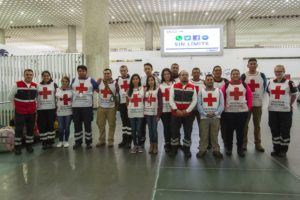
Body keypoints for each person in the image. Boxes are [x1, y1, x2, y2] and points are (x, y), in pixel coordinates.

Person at [267, 64, 298, 157]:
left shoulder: (289, 82)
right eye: (276, 71)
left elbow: (294, 95)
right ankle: (276, 148)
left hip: (285, 111)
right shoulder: (270, 82)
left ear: (284, 72)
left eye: (280, 71)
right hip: (273, 110)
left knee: (285, 130)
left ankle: (283, 150)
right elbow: (270, 93)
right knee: (274, 129)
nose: (278, 73)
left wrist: (289, 104)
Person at [221, 69, 252, 157]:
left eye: (237, 74)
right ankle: (229, 148)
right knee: (229, 131)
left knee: (240, 132)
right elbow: (222, 97)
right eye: (233, 74)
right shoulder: (226, 85)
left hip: (242, 112)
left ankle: (240, 149)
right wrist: (223, 108)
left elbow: (249, 96)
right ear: (231, 76)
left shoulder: (245, 85)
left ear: (239, 75)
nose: (235, 75)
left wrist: (249, 108)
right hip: (229, 112)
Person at [8, 69, 37, 155]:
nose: (29, 76)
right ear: (24, 75)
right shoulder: (17, 84)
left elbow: (37, 97)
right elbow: (10, 97)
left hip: (31, 112)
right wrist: (15, 107)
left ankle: (29, 145)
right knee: (19, 129)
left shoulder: (35, 85)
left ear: (33, 76)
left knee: (30, 129)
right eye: (27, 74)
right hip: (20, 112)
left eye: (30, 74)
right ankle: (18, 147)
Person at [169, 70, 197, 158]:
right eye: (182, 75)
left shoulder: (192, 87)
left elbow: (194, 100)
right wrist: (176, 110)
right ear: (179, 76)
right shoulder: (174, 86)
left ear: (188, 76)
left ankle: (186, 148)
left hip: (188, 115)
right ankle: (174, 148)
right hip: (175, 114)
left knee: (188, 132)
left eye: (186, 75)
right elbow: (171, 99)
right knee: (174, 132)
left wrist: (187, 110)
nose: (184, 76)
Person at [241, 58, 267, 152]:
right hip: (246, 105)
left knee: (257, 125)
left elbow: (265, 88)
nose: (252, 65)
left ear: (257, 65)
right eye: (251, 64)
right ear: (248, 65)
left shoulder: (262, 75)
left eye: (254, 64)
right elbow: (240, 88)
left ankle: (258, 143)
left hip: (257, 104)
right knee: (244, 125)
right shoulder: (244, 76)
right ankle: (244, 143)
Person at [196, 74, 224, 159]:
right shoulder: (201, 91)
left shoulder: (219, 91)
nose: (209, 81)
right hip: (204, 117)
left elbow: (222, 104)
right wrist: (205, 113)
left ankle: (216, 150)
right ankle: (202, 149)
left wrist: (215, 113)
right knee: (204, 135)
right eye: (208, 79)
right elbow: (199, 104)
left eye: (211, 79)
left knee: (214, 135)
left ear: (213, 80)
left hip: (215, 117)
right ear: (205, 81)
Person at [71, 65, 98, 149]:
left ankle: (88, 142)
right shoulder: (74, 80)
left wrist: (99, 82)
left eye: (83, 70)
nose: (81, 72)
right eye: (79, 71)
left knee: (88, 125)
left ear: (86, 72)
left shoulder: (91, 80)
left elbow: (97, 88)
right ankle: (78, 142)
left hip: (87, 107)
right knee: (77, 125)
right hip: (76, 107)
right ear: (77, 72)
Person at [96, 68, 119, 147]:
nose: (106, 75)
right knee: (100, 124)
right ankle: (102, 140)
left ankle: (110, 141)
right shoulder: (100, 83)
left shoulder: (115, 83)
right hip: (101, 107)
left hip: (111, 107)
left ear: (111, 74)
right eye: (105, 73)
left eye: (108, 73)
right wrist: (97, 82)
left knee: (112, 124)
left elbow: (117, 94)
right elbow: (95, 90)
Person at [37, 71, 58, 150]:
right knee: (42, 125)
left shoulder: (54, 85)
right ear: (42, 77)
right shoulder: (38, 85)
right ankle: (44, 142)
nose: (46, 77)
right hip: (41, 109)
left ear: (50, 76)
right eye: (44, 76)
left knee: (50, 125)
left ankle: (50, 141)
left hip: (51, 109)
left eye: (47, 76)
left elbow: (58, 94)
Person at [140, 63, 159, 147]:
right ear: (144, 70)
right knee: (145, 127)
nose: (147, 70)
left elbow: (158, 93)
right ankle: (144, 142)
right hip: (145, 108)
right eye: (146, 69)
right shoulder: (142, 79)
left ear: (152, 69)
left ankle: (155, 144)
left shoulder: (157, 79)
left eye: (149, 68)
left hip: (154, 108)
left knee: (154, 128)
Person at [144, 75, 162, 154]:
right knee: (150, 130)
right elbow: (143, 102)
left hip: (155, 114)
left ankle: (156, 145)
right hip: (147, 114)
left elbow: (160, 103)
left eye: (152, 80)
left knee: (154, 130)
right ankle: (151, 144)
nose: (150, 81)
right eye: (149, 80)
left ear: (154, 81)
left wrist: (158, 115)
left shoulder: (158, 90)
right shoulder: (145, 90)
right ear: (147, 82)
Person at [127, 74, 144, 153]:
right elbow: (127, 101)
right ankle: (135, 145)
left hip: (140, 111)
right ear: (132, 80)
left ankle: (140, 145)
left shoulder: (142, 88)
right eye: (134, 79)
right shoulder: (129, 89)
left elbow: (143, 99)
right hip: (132, 112)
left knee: (139, 129)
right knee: (133, 130)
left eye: (137, 79)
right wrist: (128, 108)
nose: (135, 80)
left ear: (139, 80)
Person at [190, 67, 206, 148]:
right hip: (190, 109)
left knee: (202, 128)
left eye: (197, 72)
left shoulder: (204, 83)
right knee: (188, 127)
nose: (196, 74)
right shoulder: (189, 82)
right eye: (194, 72)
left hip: (201, 109)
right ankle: (188, 144)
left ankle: (202, 144)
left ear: (200, 74)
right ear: (192, 74)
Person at [116, 65, 132, 148]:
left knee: (129, 123)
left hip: (130, 104)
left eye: (124, 70)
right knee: (124, 123)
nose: (123, 72)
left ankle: (129, 141)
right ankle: (124, 140)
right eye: (121, 71)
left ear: (127, 70)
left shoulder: (132, 79)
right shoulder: (118, 80)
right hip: (122, 104)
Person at [212, 65, 229, 143]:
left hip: (224, 108)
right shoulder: (209, 81)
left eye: (219, 70)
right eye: (216, 70)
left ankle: (225, 141)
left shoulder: (226, 81)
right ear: (213, 72)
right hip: (213, 107)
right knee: (213, 127)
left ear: (221, 72)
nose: (218, 72)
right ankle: (211, 143)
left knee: (225, 127)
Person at [159, 68, 174, 152]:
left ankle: (175, 142)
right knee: (166, 127)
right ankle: (167, 143)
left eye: (168, 73)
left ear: (170, 75)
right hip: (164, 110)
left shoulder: (174, 84)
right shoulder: (160, 85)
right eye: (165, 74)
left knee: (174, 127)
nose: (167, 75)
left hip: (173, 110)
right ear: (163, 76)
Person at [55, 76, 73, 148]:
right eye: (63, 81)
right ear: (61, 82)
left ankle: (66, 141)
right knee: (60, 127)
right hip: (60, 112)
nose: (64, 83)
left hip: (68, 111)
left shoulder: (71, 90)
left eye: (66, 81)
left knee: (67, 127)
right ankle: (60, 141)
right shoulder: (57, 90)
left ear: (68, 82)